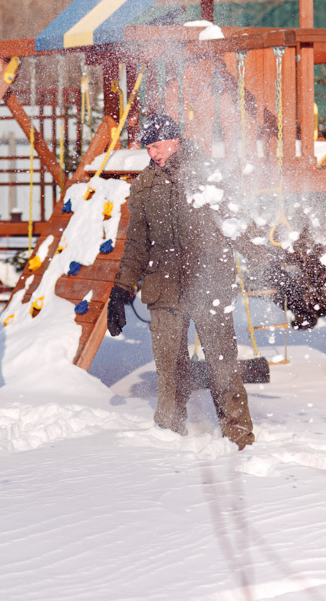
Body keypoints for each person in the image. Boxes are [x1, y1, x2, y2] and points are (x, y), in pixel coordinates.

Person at [108, 113, 255, 450]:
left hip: (209, 283)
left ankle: (238, 437)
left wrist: (265, 257)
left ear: (176, 140)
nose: (154, 153)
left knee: (222, 364)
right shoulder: (144, 185)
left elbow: (236, 222)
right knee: (170, 368)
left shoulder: (207, 174)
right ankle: (169, 435)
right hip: (164, 287)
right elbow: (136, 243)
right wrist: (121, 289)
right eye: (149, 147)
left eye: (159, 145)